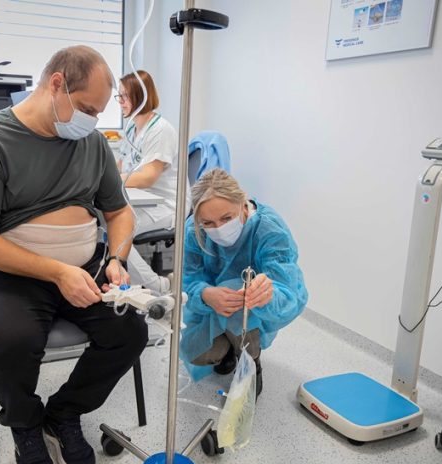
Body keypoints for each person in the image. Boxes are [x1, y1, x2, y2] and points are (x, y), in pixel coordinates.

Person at [0, 46, 148, 464]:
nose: (92, 121)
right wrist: (56, 272)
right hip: (12, 274)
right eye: (88, 109)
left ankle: (63, 413)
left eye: (98, 112)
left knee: (129, 332)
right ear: (57, 84)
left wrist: (116, 258)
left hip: (87, 265)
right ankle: (25, 423)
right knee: (7, 343)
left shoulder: (91, 143)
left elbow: (119, 212)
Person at [181, 169, 308, 395]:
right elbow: (187, 279)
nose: (219, 229)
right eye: (208, 222)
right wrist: (205, 294)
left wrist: (268, 293)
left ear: (242, 203)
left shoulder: (269, 230)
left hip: (252, 313)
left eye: (226, 218)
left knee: (237, 293)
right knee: (200, 354)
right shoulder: (193, 230)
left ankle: (251, 362)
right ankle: (229, 348)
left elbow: (289, 293)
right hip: (212, 309)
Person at [116, 70, 178, 294]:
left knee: (119, 232)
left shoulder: (160, 130)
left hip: (166, 205)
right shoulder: (131, 127)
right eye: (119, 96)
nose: (120, 102)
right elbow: (120, 166)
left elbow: (147, 176)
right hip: (143, 201)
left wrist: (110, 181)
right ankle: (129, 286)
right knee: (107, 222)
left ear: (141, 97)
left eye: (125, 96)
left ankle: (160, 287)